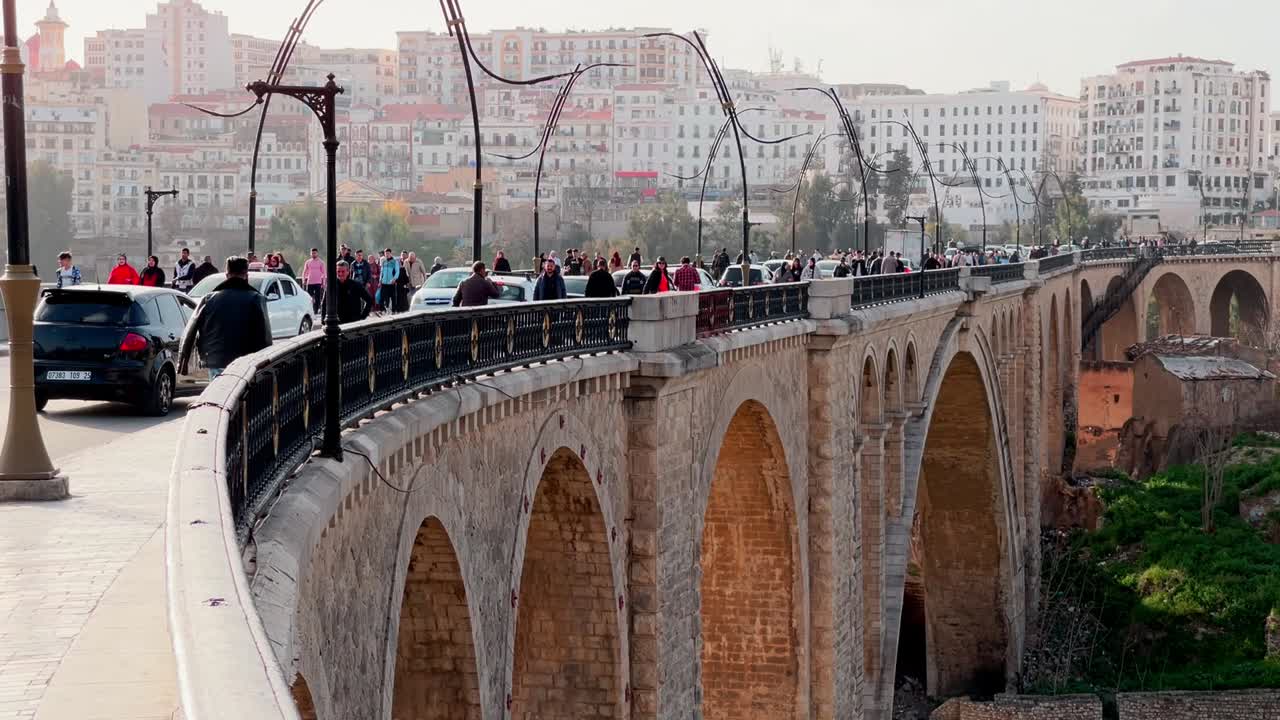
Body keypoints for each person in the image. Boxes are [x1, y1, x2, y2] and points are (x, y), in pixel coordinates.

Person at [178, 256, 272, 380]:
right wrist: (266, 362)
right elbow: (265, 335)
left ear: (227, 275)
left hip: (215, 360)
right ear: (246, 275)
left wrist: (182, 362)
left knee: (218, 395)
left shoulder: (208, 298)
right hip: (246, 361)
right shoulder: (256, 298)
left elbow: (190, 330)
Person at [302, 247, 326, 312]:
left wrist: (323, 283)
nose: (313, 254)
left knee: (318, 297)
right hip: (310, 282)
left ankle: (316, 309)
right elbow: (304, 272)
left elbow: (324, 273)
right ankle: (310, 309)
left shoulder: (321, 262)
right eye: (312, 253)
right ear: (310, 254)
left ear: (317, 253)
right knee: (309, 297)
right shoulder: (308, 262)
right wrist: (303, 280)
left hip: (318, 282)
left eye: (315, 253)